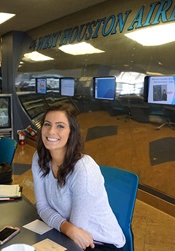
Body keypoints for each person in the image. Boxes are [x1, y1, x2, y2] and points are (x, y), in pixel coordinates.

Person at [32, 103, 125, 250]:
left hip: (98, 243)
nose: (51, 131)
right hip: (66, 233)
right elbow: (42, 207)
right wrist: (66, 227)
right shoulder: (39, 158)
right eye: (47, 124)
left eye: (60, 126)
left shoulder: (83, 170)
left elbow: (77, 230)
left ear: (71, 132)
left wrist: (67, 228)